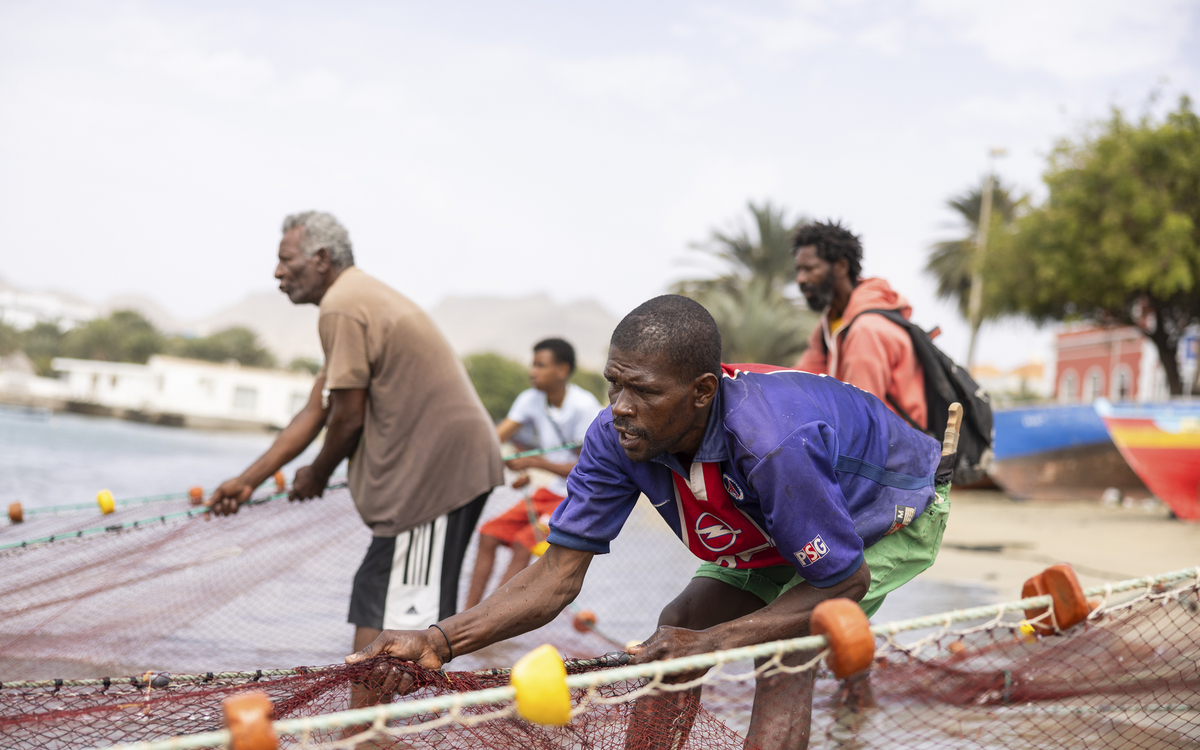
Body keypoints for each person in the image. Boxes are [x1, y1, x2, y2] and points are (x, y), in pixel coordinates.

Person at [348, 294, 953, 750]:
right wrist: (440, 640)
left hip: (879, 512)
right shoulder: (616, 436)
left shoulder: (772, 443)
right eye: (613, 384)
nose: (621, 408)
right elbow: (557, 573)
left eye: (642, 391)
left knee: (783, 658)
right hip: (770, 517)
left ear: (701, 392)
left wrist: (715, 644)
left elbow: (838, 586)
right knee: (676, 629)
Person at [206, 211, 503, 659]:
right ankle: (366, 724)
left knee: (402, 615)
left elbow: (347, 418)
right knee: (378, 592)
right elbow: (315, 411)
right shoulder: (353, 298)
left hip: (435, 480)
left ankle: (373, 726)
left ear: (322, 258)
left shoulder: (342, 304)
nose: (277, 273)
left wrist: (318, 473)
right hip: (427, 480)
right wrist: (248, 480)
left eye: (286, 260)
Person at [465, 338, 602, 609]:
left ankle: (492, 618)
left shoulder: (583, 406)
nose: (532, 371)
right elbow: (494, 440)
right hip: (551, 490)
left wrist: (535, 462)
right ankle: (466, 614)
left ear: (562, 370)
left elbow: (588, 470)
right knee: (488, 534)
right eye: (533, 364)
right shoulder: (530, 399)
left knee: (523, 543)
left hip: (576, 497)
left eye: (540, 365)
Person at [793, 220, 927, 430]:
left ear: (841, 267)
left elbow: (859, 417)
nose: (800, 279)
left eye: (810, 269)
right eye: (799, 270)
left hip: (894, 453)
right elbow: (798, 383)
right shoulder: (830, 325)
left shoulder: (867, 330)